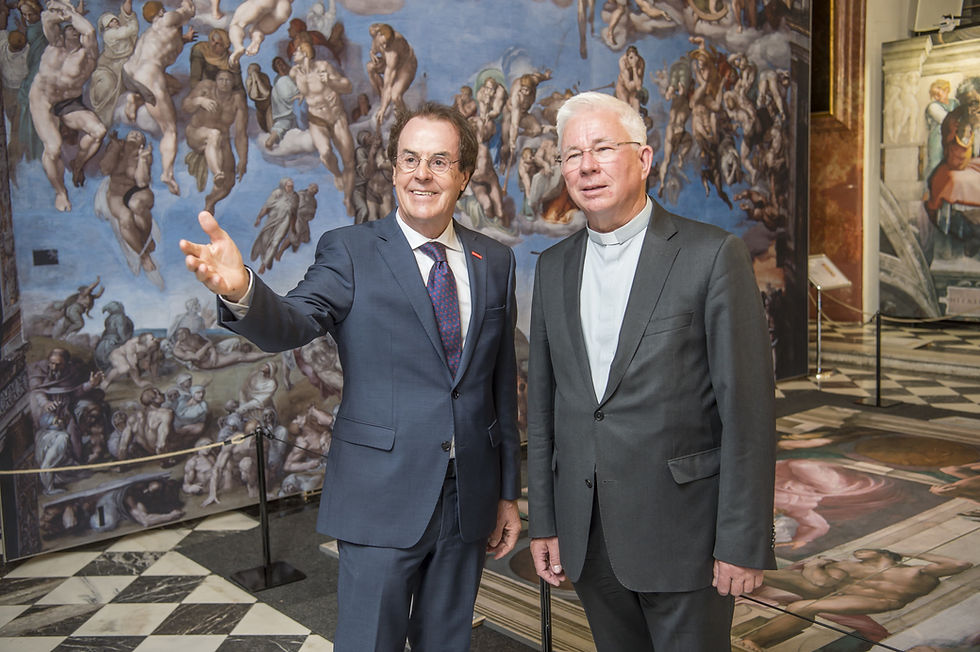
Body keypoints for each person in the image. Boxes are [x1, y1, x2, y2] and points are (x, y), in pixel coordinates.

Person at [179, 100, 521, 651]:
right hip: (380, 495)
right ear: (394, 169)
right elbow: (293, 321)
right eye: (409, 159)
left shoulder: (495, 261)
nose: (422, 174)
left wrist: (506, 493)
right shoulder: (351, 250)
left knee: (448, 643)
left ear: (463, 176)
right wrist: (242, 290)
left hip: (468, 499)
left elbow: (499, 386)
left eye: (439, 161)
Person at [526, 92, 776, 651]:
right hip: (588, 534)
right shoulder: (553, 268)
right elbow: (543, 411)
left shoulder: (712, 255)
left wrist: (742, 540)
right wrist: (545, 520)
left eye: (602, 148)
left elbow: (749, 412)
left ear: (643, 159)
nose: (586, 166)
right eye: (571, 155)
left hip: (685, 534)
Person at [737, 549, 972, 651]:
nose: (858, 554)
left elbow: (961, 564)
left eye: (864, 552)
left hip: (882, 600)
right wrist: (815, 565)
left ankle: (755, 640)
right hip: (839, 593)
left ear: (882, 553)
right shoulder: (849, 566)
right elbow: (820, 583)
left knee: (803, 607)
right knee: (757, 572)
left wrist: (910, 553)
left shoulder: (916, 571)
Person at [29, 0, 106, 212]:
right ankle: (60, 192)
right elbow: (47, 19)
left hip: (69, 103)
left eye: (75, 27)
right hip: (43, 98)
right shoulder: (55, 43)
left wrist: (71, 14)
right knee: (53, 148)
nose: (72, 29)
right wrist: (62, 10)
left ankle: (78, 164)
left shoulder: (88, 55)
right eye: (69, 27)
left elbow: (90, 31)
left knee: (99, 131)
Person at [122, 0, 195, 196]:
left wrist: (185, 39)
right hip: (149, 76)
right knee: (170, 130)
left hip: (130, 74)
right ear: (161, 11)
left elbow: (164, 48)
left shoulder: (150, 34)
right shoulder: (168, 19)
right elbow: (189, 11)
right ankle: (167, 174)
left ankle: (136, 99)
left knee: (176, 86)